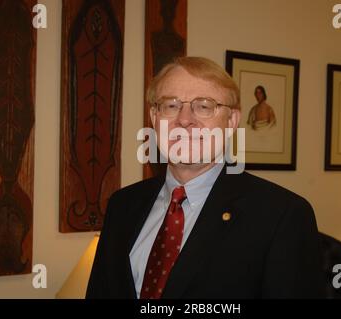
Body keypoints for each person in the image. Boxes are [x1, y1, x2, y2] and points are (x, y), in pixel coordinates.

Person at [86, 57, 325, 299]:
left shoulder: (282, 215)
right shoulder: (122, 205)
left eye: (204, 106)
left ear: (231, 121)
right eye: (171, 105)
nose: (185, 119)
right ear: (154, 117)